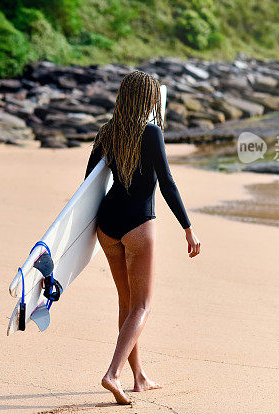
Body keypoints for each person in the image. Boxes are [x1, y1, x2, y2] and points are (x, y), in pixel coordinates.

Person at [84, 70, 201, 405]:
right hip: (138, 224)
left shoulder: (107, 131)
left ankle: (139, 377)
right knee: (143, 305)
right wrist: (188, 228)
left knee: (127, 303)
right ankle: (114, 373)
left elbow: (89, 183)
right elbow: (166, 182)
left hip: (107, 226)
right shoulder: (151, 132)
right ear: (151, 100)